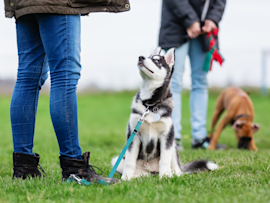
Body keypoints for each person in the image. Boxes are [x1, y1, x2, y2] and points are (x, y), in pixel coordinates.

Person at [4, 0, 130, 183]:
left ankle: (24, 168)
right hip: (57, 3)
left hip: (23, 3)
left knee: (28, 76)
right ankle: (74, 169)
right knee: (64, 76)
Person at [158, 0, 226, 150]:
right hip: (175, 27)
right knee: (173, 83)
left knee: (200, 82)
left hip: (204, 30)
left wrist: (212, 18)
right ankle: (172, 138)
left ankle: (200, 137)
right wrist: (191, 20)